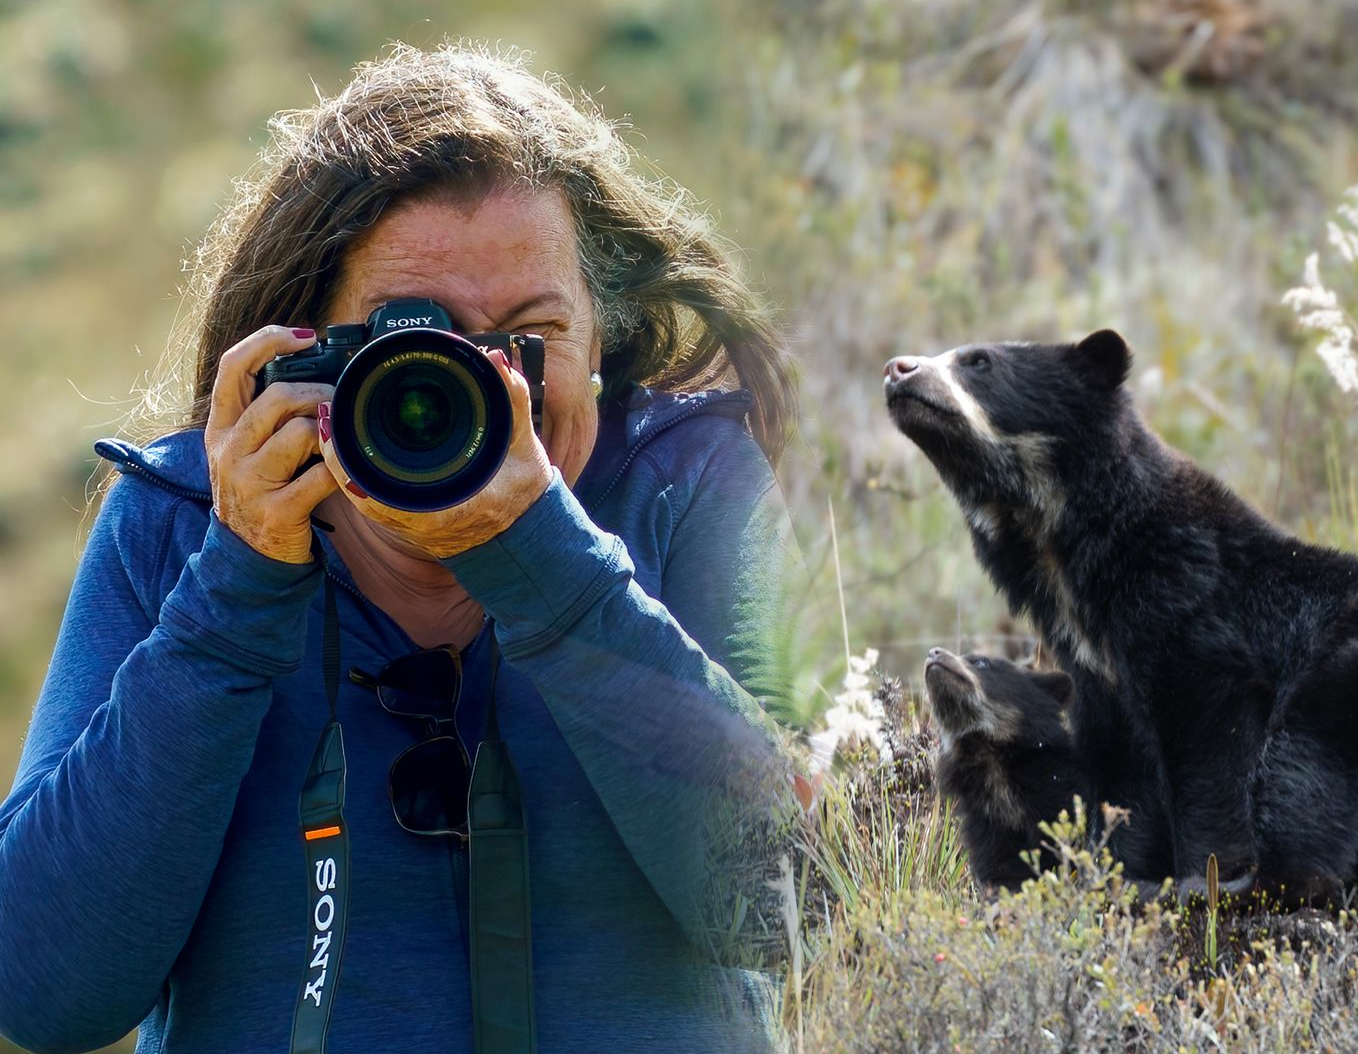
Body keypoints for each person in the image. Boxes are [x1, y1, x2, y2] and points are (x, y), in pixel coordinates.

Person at [0, 41, 799, 1054]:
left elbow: (801, 907)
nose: (477, 385)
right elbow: (41, 991)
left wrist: (548, 568)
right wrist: (235, 596)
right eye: (412, 339)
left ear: (602, 340)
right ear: (304, 348)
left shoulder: (684, 490)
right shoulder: (181, 525)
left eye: (528, 332)